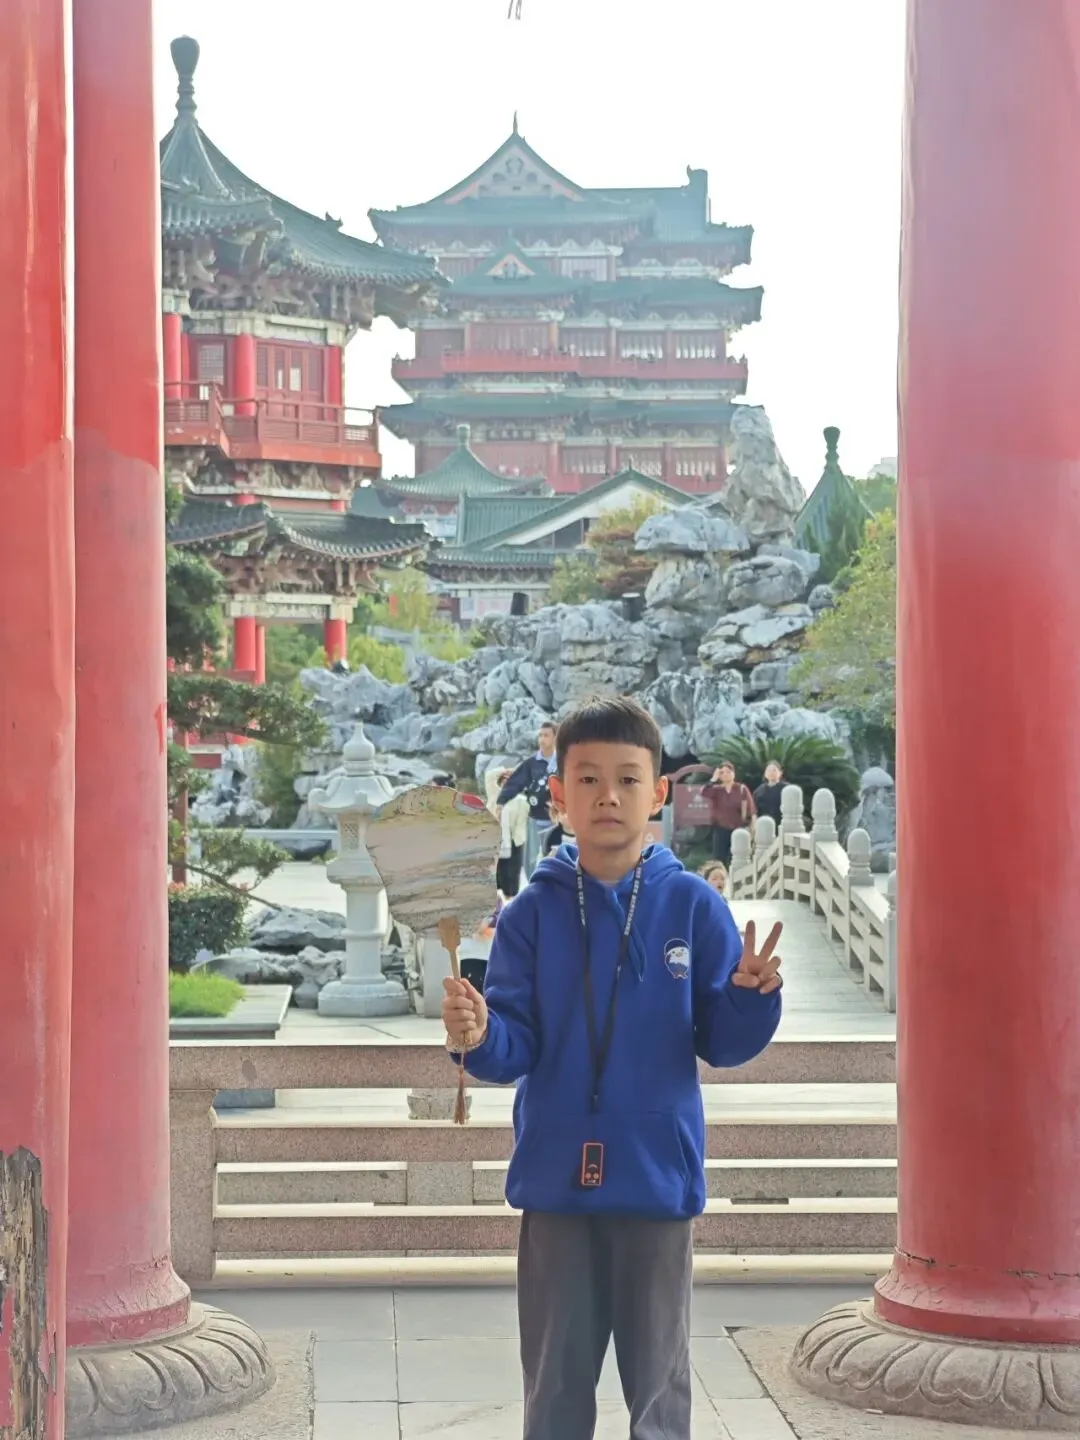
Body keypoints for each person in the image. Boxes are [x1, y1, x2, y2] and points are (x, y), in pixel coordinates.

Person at [442, 696, 783, 1440]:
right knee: (554, 1391)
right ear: (557, 794)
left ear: (656, 792)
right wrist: (480, 1033)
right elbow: (515, 1045)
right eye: (588, 779)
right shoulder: (528, 916)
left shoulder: (692, 906)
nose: (608, 796)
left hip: (656, 1178)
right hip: (556, 1181)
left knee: (659, 1395)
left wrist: (751, 997)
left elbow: (722, 1042)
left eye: (627, 779)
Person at [703, 760, 755, 864]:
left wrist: (752, 828)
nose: (726, 774)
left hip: (738, 829)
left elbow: (751, 809)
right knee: (719, 859)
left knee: (736, 859)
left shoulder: (741, 789)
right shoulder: (717, 790)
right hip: (721, 829)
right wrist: (713, 779)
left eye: (728, 772)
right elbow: (704, 793)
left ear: (734, 773)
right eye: (722, 772)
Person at [753, 760, 785, 827]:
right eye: (769, 770)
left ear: (780, 773)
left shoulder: (786, 789)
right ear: (765, 774)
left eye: (774, 770)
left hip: (782, 825)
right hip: (764, 826)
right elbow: (754, 810)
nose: (771, 773)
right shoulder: (758, 791)